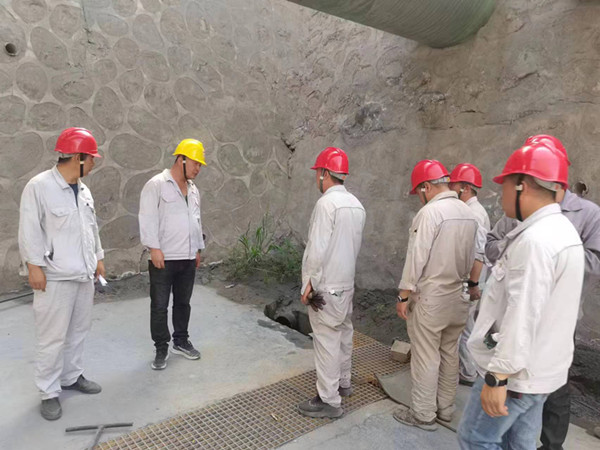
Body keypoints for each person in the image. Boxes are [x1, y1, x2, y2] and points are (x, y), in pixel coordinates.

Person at [458, 142, 584, 449]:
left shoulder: (536, 242)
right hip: (541, 371)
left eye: (504, 185)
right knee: (519, 443)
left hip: (515, 375)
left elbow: (522, 313)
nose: (501, 194)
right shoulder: (562, 232)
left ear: (521, 186)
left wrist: (498, 377)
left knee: (475, 438)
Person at [485, 135, 600, 450]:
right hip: (513, 310)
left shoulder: (587, 214)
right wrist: (518, 247)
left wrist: (549, 254)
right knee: (513, 385)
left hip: (556, 317)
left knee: (551, 387)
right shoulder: (517, 208)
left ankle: (551, 445)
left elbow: (595, 262)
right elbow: (491, 244)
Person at [18, 127, 105, 421]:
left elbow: (91, 227)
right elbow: (29, 229)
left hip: (83, 274)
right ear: (78, 157)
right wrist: (34, 267)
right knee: (51, 338)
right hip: (54, 277)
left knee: (78, 331)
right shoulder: (39, 187)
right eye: (91, 158)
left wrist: (98, 258)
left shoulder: (83, 189)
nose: (93, 163)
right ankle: (48, 391)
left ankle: (71, 377)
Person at [393, 160, 478, 431]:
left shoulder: (430, 213)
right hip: (459, 296)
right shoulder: (467, 213)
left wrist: (403, 295)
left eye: (419, 192)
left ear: (426, 187)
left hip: (432, 298)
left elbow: (416, 258)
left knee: (426, 354)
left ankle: (423, 414)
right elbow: (475, 256)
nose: (420, 198)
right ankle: (445, 409)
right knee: (450, 353)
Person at [297, 147, 366, 419]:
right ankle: (343, 383)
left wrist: (308, 285)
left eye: (318, 172)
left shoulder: (326, 204)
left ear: (325, 173)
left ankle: (329, 399)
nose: (317, 177)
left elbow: (317, 249)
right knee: (344, 333)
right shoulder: (356, 205)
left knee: (326, 339)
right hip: (346, 284)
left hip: (326, 287)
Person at [139, 139, 206, 370]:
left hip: (188, 257)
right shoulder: (157, 185)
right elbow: (147, 218)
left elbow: (196, 220)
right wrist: (154, 248)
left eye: (200, 165)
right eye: (196, 163)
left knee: (183, 303)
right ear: (181, 159)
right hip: (164, 257)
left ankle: (181, 340)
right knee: (159, 305)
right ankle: (161, 346)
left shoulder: (194, 190)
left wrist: (197, 248)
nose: (198, 169)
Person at [449, 163, 491, 387]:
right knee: (465, 327)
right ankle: (467, 370)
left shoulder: (473, 214)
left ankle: (466, 372)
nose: (450, 189)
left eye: (453, 185)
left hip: (470, 281)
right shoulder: (472, 211)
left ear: (464, 188)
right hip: (470, 280)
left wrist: (473, 284)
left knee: (462, 328)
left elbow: (479, 253)